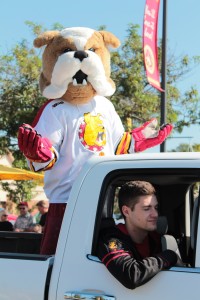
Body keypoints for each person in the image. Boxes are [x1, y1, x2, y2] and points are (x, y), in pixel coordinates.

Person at [97, 181, 179, 290]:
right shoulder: (111, 240)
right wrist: (168, 256)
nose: (155, 214)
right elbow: (131, 275)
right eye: (147, 208)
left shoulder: (155, 237)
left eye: (156, 207)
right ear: (126, 211)